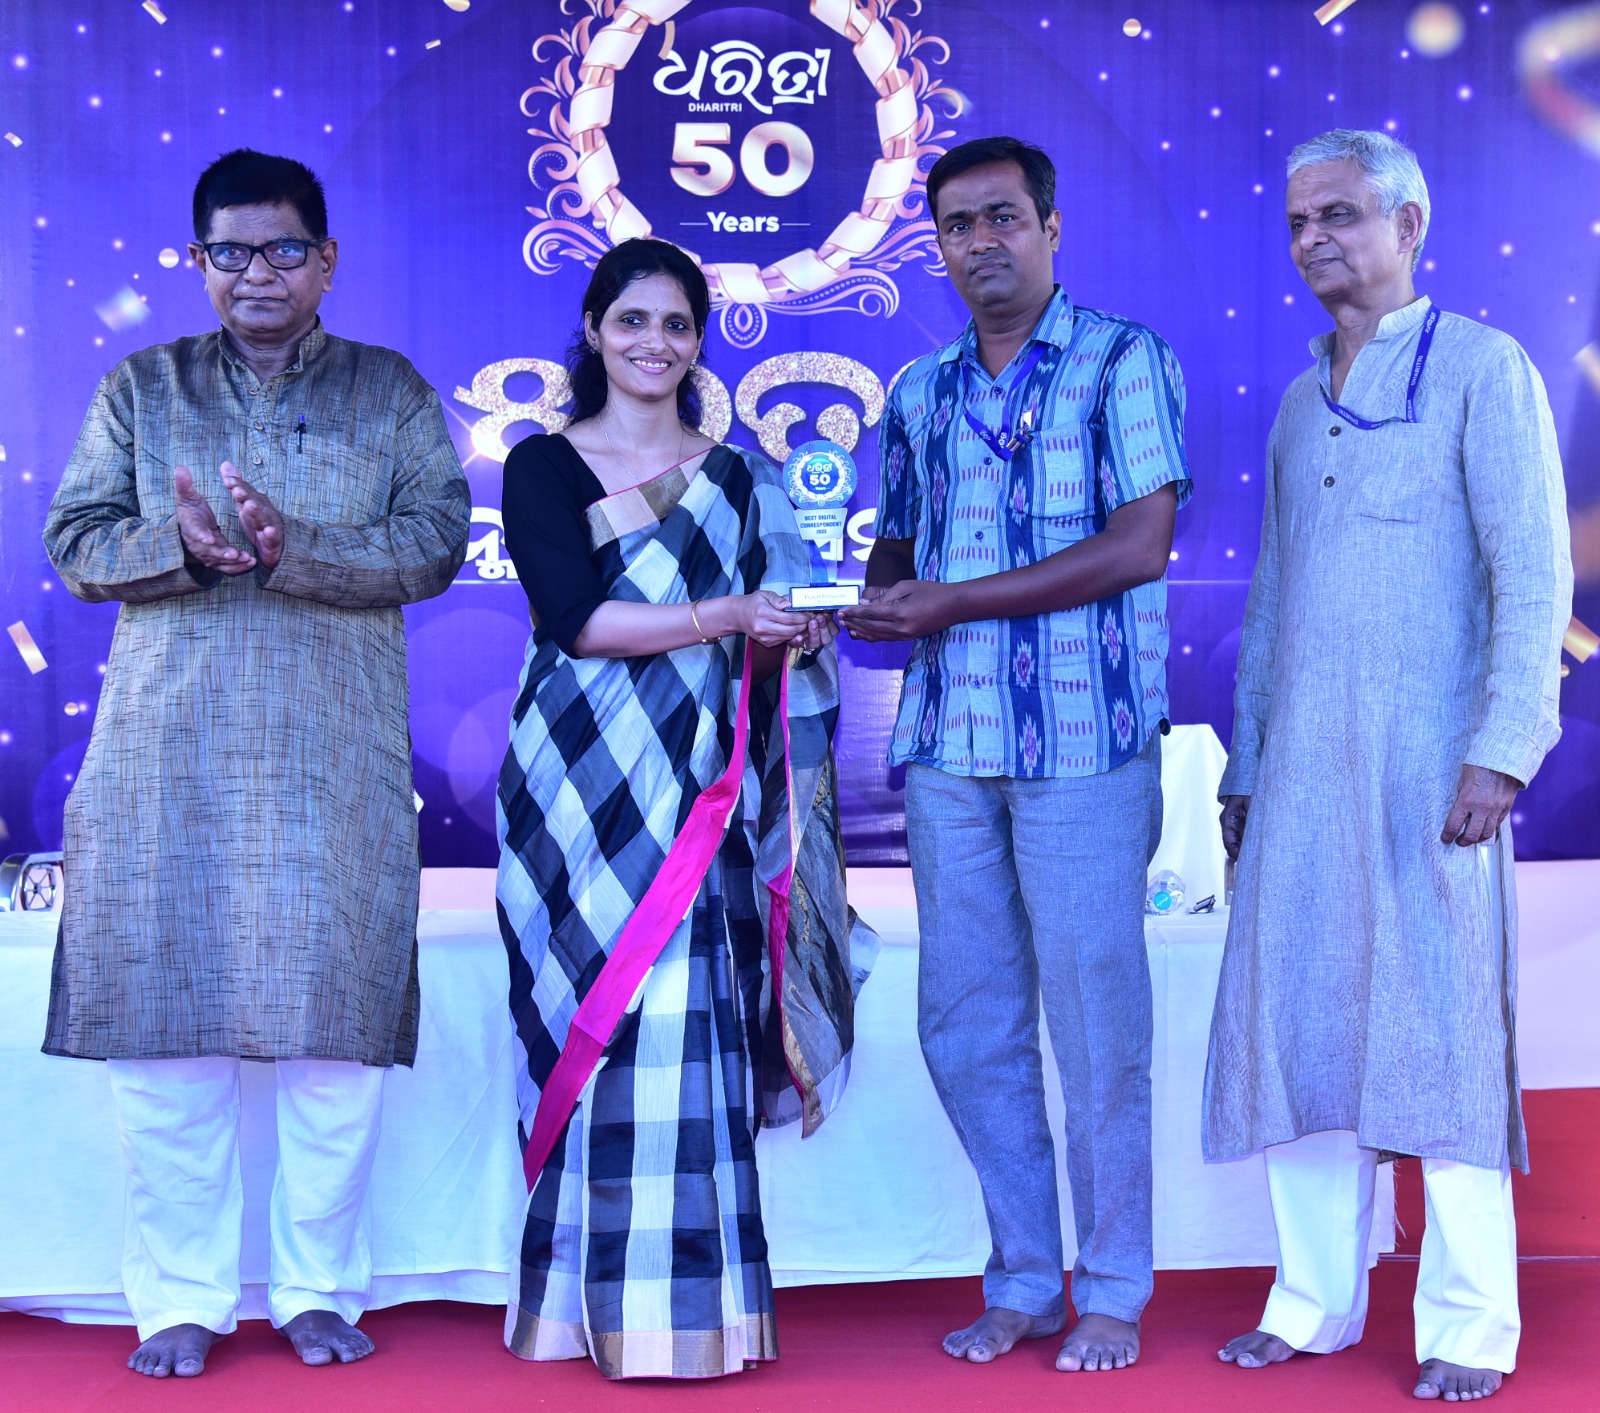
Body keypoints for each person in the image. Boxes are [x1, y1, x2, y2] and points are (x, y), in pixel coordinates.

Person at [42, 149, 471, 1379]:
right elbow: (74, 539)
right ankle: (180, 1296)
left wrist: (300, 547)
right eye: (230, 252)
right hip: (166, 758)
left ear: (326, 260)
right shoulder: (143, 387)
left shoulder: (388, 390)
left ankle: (317, 1290)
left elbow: (439, 539)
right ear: (198, 263)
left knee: (334, 1042)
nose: (257, 273)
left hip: (334, 757)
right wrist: (174, 545)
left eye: (284, 249)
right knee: (165, 1038)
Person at [1207, 130, 1571, 1403]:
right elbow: (1274, 600)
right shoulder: (1299, 401)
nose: (1314, 238)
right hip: (1300, 777)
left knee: (1441, 1039)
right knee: (1299, 1032)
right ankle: (1311, 1304)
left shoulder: (1482, 367)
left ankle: (1469, 1325)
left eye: (1342, 215)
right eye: (1299, 220)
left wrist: (1501, 752)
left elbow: (1534, 575)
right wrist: (1247, 762)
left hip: (1435, 777)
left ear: (1408, 226)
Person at [839, 136, 1191, 1374]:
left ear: (1049, 227)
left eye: (1001, 217)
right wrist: (866, 600)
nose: (979, 242)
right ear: (935, 246)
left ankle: (1114, 1287)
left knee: (1097, 1028)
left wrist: (950, 602)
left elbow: (1139, 545)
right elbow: (899, 551)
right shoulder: (919, 390)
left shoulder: (1122, 359)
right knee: (967, 1024)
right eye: (956, 225)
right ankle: (1027, 1278)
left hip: (1084, 742)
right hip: (950, 746)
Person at [496, 237, 875, 1381]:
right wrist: (729, 615)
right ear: (594, 330)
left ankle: (693, 1314)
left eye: (675, 324)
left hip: (701, 787)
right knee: (591, 1018)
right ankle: (574, 1305)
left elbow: (777, 644)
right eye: (632, 321)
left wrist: (793, 633)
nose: (653, 343)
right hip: (577, 784)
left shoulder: (741, 479)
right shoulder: (544, 464)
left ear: (699, 341)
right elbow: (576, 621)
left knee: (680, 1017)